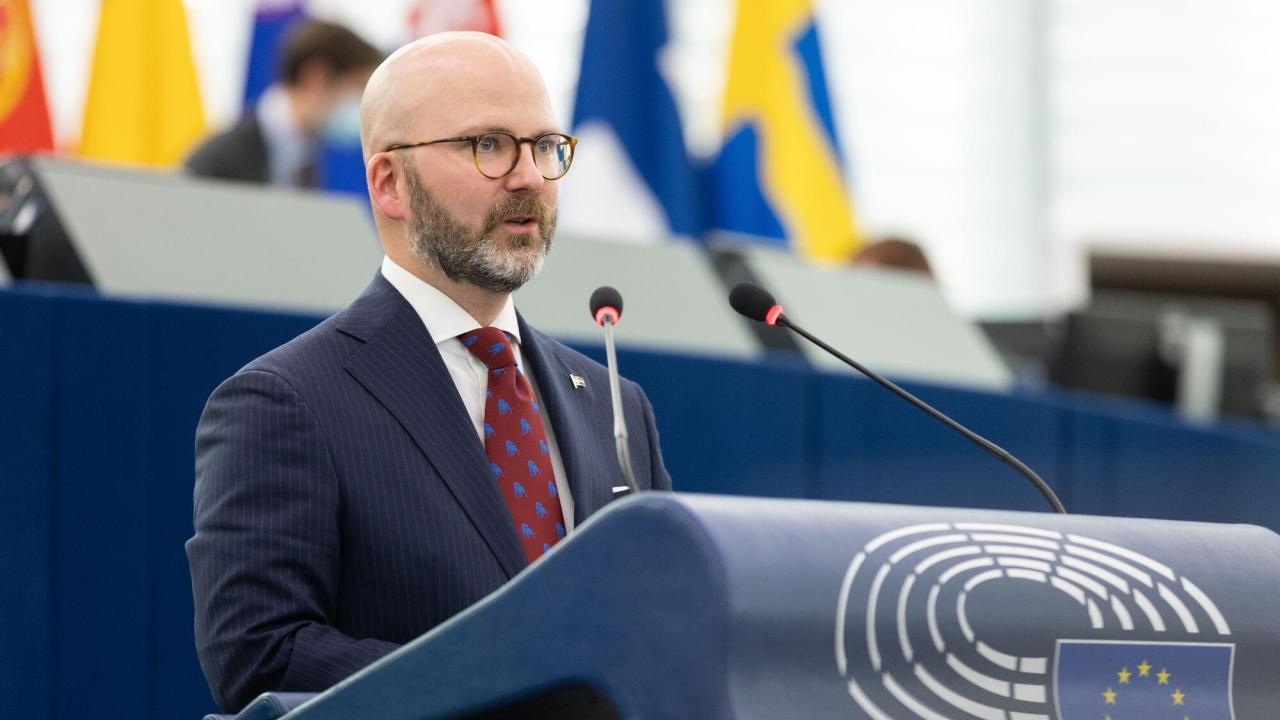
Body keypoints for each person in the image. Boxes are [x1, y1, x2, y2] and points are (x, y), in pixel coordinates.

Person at [186, 32, 672, 712]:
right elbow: (262, 654)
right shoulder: (285, 402)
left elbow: (660, 621)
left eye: (543, 146)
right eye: (488, 145)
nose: (529, 177)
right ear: (390, 184)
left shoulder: (616, 407)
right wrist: (511, 685)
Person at [184, 20, 382, 188]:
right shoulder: (216, 162)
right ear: (316, 78)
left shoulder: (309, 157)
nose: (362, 106)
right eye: (358, 90)